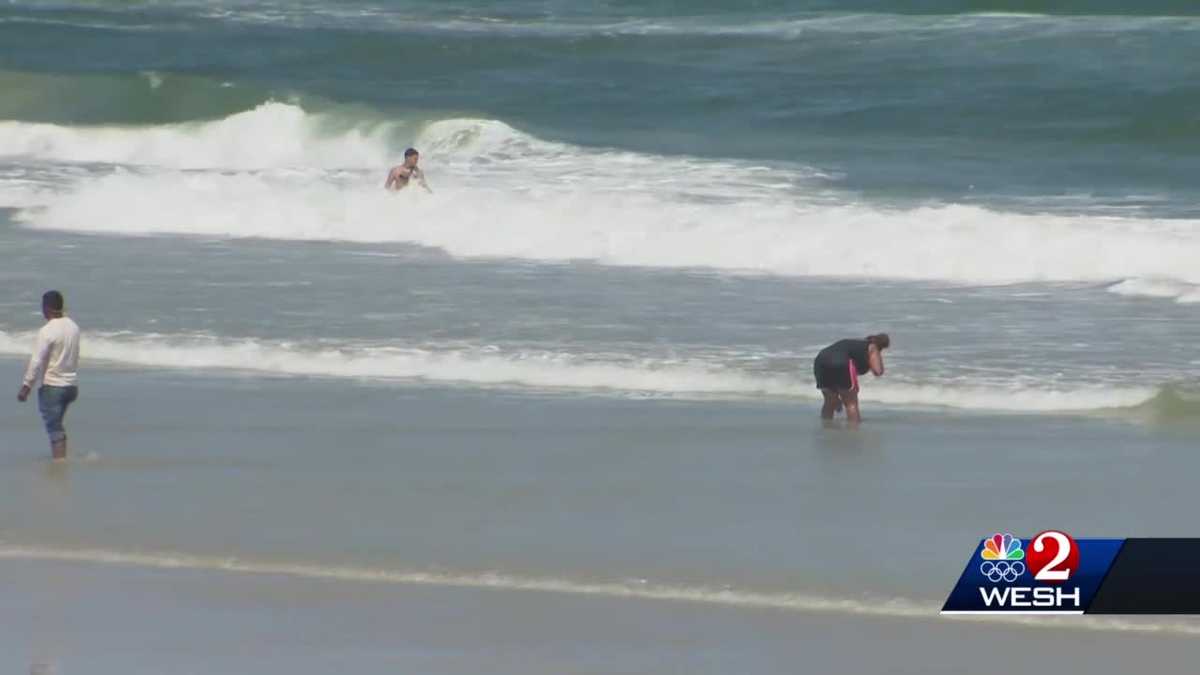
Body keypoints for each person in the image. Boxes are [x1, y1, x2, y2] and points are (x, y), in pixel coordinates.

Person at [17, 290, 81, 461]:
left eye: (43, 307)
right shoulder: (74, 327)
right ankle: (62, 458)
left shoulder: (47, 331)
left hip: (53, 387)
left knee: (54, 428)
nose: (42, 311)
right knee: (57, 426)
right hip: (71, 387)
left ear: (48, 308)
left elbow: (36, 361)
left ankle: (60, 465)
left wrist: (26, 386)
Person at [813, 333, 889, 425]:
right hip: (841, 362)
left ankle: (826, 428)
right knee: (851, 403)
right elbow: (878, 371)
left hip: (820, 361)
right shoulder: (872, 347)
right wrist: (878, 357)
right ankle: (853, 432)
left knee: (829, 401)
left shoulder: (853, 344)